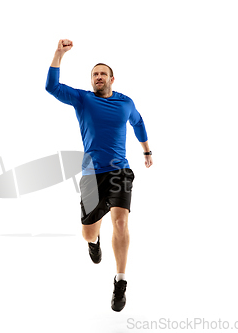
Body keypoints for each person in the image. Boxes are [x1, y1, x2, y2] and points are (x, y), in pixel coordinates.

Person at [45, 39, 153, 312]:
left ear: (112, 78)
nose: (98, 77)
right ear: (91, 80)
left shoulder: (125, 102)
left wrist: (146, 151)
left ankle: (120, 281)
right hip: (92, 174)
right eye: (94, 74)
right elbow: (52, 87)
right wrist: (58, 54)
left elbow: (138, 123)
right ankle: (95, 243)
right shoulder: (83, 99)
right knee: (88, 234)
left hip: (120, 170)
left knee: (120, 221)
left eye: (103, 73)